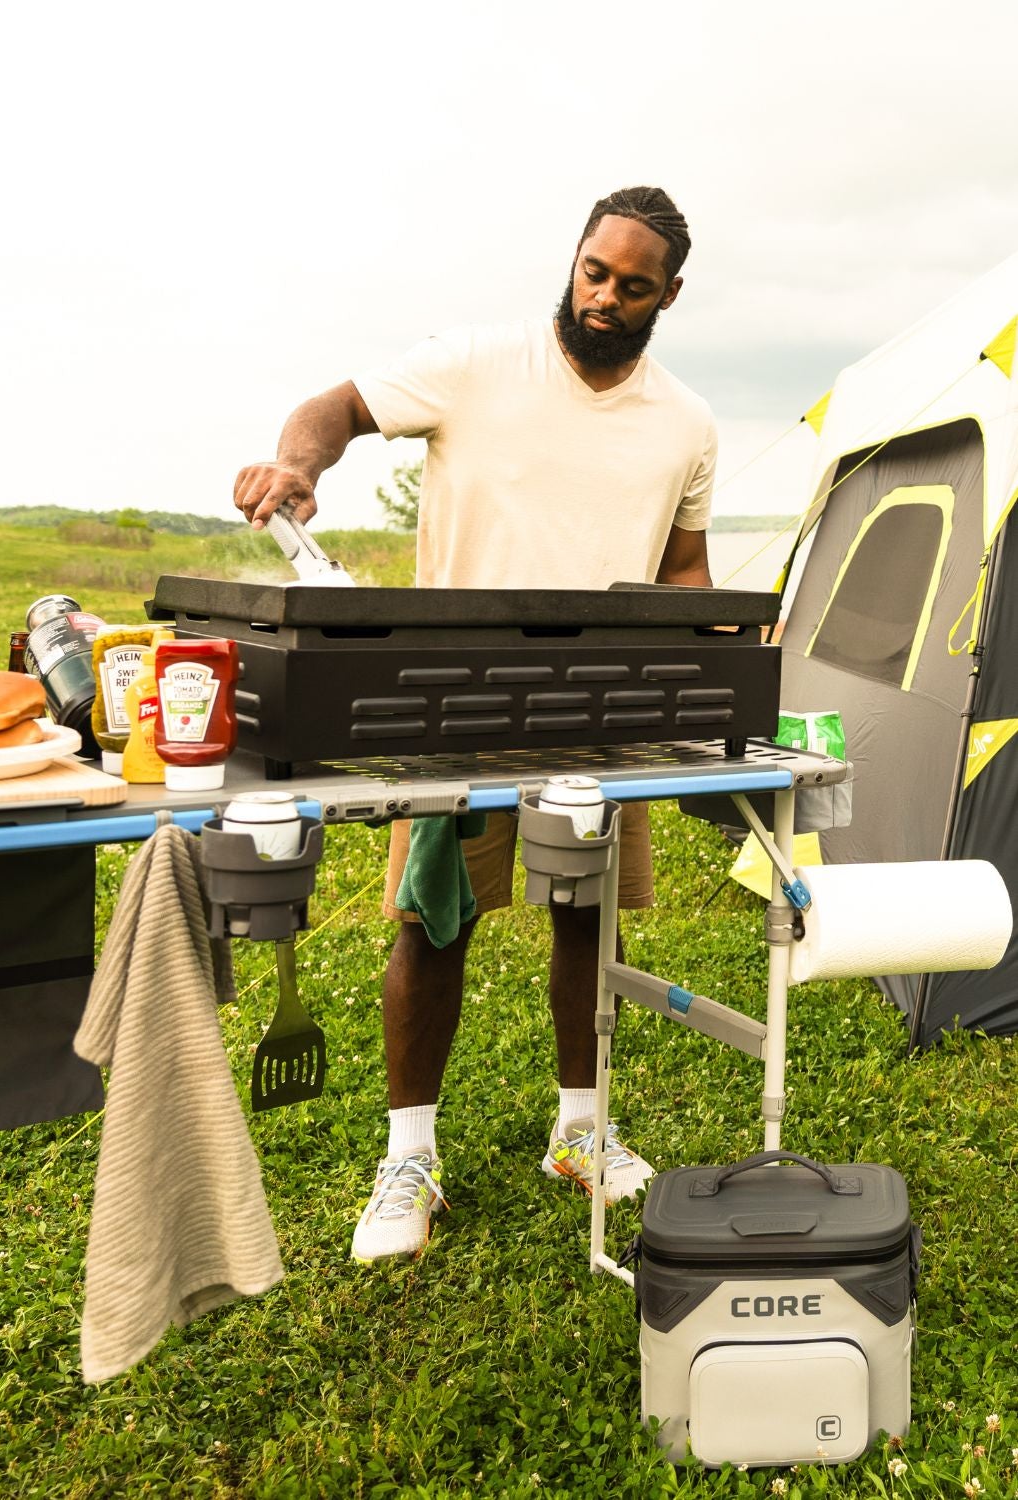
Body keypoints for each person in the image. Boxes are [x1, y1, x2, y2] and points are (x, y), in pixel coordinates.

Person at [233, 186, 716, 1264]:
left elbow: (686, 574)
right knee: (429, 918)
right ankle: (410, 1159)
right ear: (578, 257)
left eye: (633, 286)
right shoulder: (475, 364)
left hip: (602, 711)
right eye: (595, 271)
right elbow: (338, 407)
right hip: (452, 700)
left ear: (667, 295)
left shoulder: (688, 423)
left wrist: (725, 658)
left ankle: (581, 1132)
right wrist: (299, 465)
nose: (604, 297)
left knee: (589, 920)